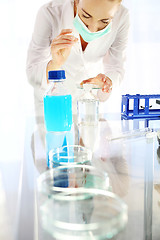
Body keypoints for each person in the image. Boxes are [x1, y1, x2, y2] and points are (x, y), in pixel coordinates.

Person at [26, 0, 130, 116]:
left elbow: (116, 68)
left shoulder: (122, 17)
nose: (92, 29)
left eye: (105, 21)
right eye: (86, 16)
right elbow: (32, 73)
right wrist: (54, 64)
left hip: (89, 110)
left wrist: (106, 82)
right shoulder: (50, 12)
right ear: (76, 1)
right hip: (52, 110)